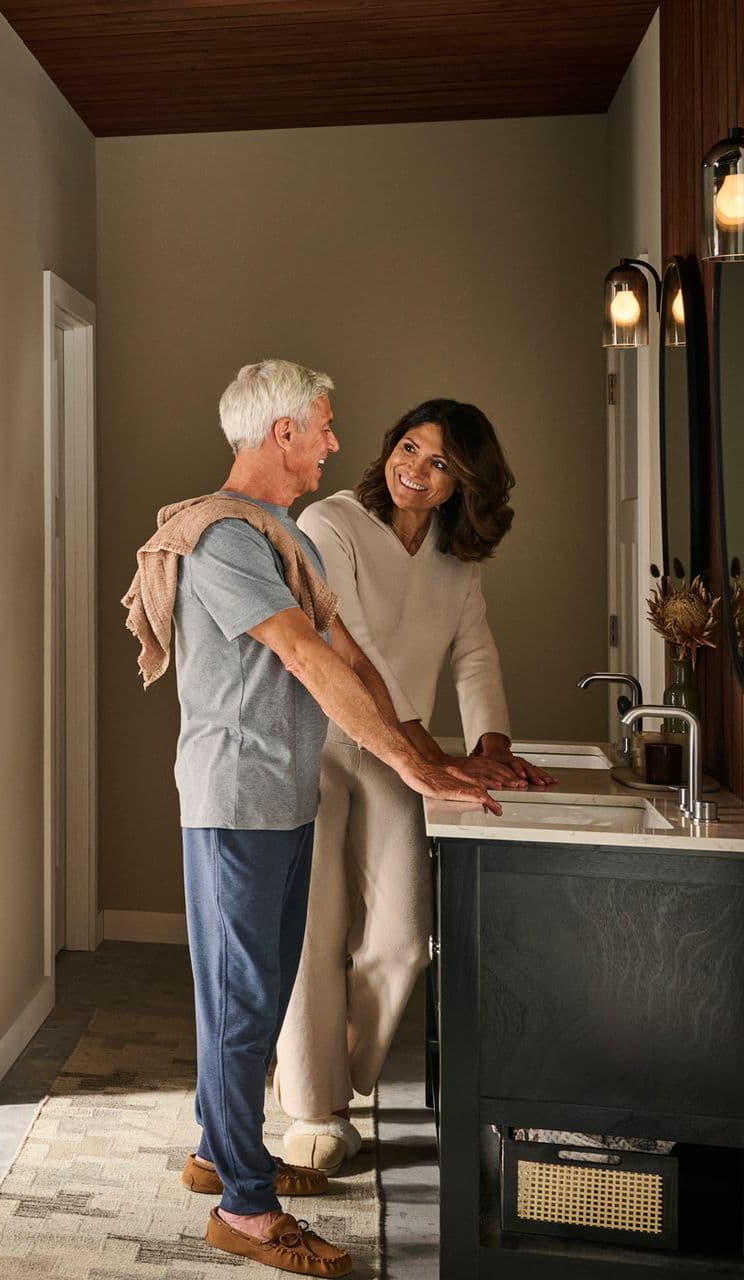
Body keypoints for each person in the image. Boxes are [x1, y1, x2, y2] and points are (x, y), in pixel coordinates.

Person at [124, 360, 498, 1278]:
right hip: (236, 800)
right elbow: (304, 659)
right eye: (322, 427)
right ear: (279, 433)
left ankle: (220, 1155)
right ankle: (246, 1212)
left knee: (258, 987)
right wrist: (413, 764)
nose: (338, 442)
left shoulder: (284, 534)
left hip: (282, 799)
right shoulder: (222, 540)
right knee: (243, 998)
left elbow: (349, 653)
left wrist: (427, 758)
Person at [274, 399, 552, 1173]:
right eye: (408, 448)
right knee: (313, 929)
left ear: (464, 483)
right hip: (323, 739)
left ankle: (340, 1072)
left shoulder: (454, 562)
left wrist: (492, 746)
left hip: (403, 753)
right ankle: (315, 1106)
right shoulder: (331, 522)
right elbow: (354, 648)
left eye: (439, 464)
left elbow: (475, 654)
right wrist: (434, 757)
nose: (415, 471)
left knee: (401, 937)